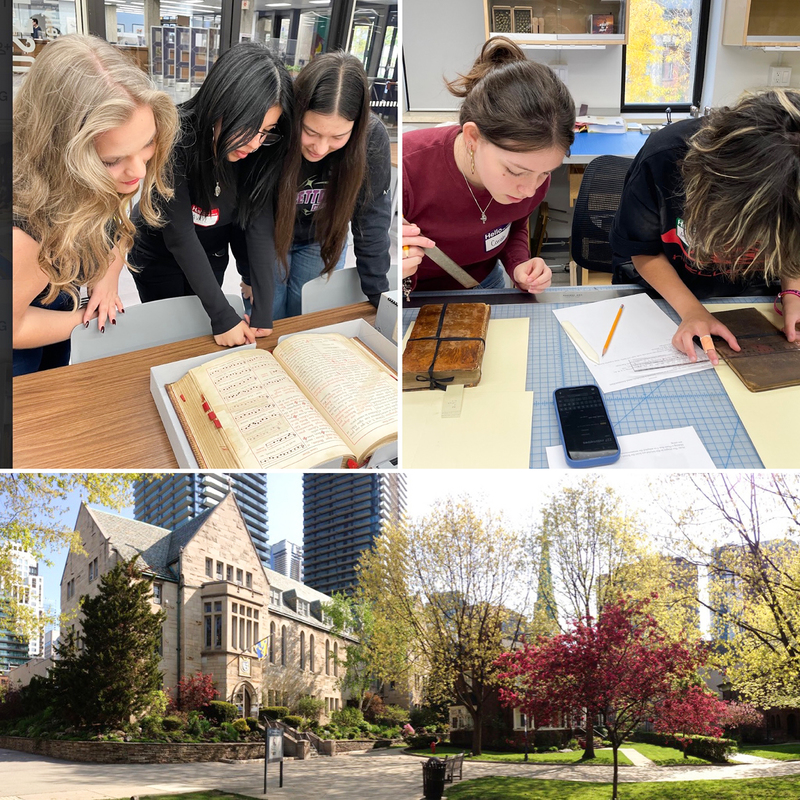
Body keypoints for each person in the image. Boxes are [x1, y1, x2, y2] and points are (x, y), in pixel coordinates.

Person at [13, 34, 178, 376]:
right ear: (61, 154)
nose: (139, 171)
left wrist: (107, 275)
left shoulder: (108, 169)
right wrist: (84, 318)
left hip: (55, 299)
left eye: (147, 144)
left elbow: (114, 231)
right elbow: (13, 327)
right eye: (112, 160)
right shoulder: (22, 231)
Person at [610, 89, 800, 364]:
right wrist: (691, 311)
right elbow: (644, 251)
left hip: (753, 296)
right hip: (670, 292)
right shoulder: (664, 158)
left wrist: (793, 293)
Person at [129, 41, 294, 346]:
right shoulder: (175, 136)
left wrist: (263, 310)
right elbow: (179, 235)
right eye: (249, 127)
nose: (256, 143)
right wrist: (223, 316)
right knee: (168, 335)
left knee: (201, 332)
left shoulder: (258, 154)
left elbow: (258, 226)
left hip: (211, 250)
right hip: (158, 252)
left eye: (267, 130)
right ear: (221, 104)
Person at [402, 36, 575, 295]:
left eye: (545, 173)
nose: (529, 190)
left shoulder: (535, 180)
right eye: (516, 171)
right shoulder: (410, 165)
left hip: (485, 284)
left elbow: (514, 224)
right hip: (417, 293)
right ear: (473, 137)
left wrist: (520, 266)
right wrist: (398, 271)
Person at [238, 51, 392, 320]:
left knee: (308, 314)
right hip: (268, 238)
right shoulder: (274, 128)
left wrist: (381, 298)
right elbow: (246, 207)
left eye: (338, 136)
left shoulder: (371, 138)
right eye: (310, 132)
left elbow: (372, 219)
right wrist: (249, 274)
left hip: (321, 238)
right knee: (267, 313)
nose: (320, 148)